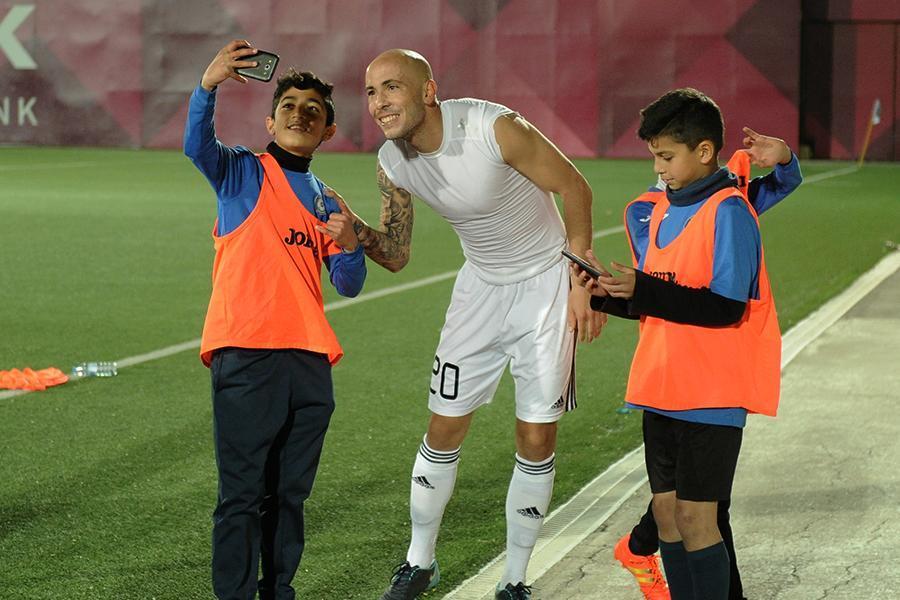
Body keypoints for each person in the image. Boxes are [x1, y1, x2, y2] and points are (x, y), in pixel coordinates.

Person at [335, 49, 603, 600]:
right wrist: (352, 228)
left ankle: (515, 578)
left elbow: (575, 186)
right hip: (479, 289)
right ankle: (419, 562)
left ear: (428, 91)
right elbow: (396, 253)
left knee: (535, 434)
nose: (379, 102)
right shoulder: (391, 161)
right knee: (443, 426)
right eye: (371, 92)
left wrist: (582, 279)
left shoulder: (492, 127)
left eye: (392, 87)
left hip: (545, 285)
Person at [575, 88, 784, 600]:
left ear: (705, 151)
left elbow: (725, 307)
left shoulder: (730, 211)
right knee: (667, 515)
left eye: (666, 156)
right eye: (654, 156)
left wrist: (645, 289)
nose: (658, 167)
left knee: (696, 518)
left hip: (712, 392)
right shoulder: (660, 210)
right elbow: (658, 302)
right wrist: (606, 294)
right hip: (660, 385)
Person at [183, 39, 366, 600]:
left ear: (328, 131)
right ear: (270, 120)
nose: (299, 114)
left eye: (313, 109)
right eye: (288, 105)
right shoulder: (242, 173)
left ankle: (278, 590)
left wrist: (351, 243)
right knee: (241, 494)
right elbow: (196, 146)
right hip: (246, 353)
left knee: (289, 495)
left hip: (309, 362)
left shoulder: (327, 200)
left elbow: (348, 283)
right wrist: (208, 85)